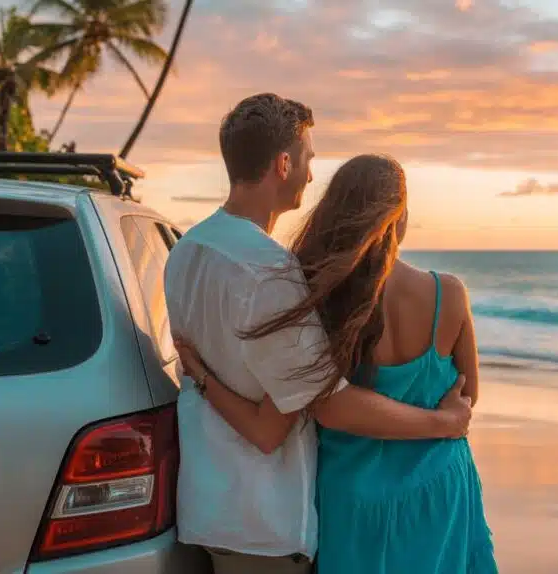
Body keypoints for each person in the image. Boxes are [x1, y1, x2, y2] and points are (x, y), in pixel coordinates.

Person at [163, 93, 474, 574]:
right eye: (308, 159)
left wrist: (202, 376)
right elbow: (318, 408)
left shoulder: (187, 249)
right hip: (264, 519)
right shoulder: (270, 273)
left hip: (208, 503)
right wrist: (443, 424)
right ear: (283, 163)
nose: (312, 175)